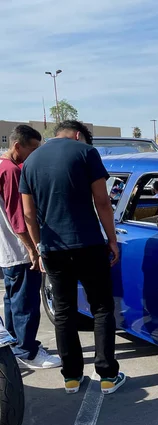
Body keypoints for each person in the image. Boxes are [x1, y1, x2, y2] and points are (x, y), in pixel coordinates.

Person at [19, 120, 126, 395]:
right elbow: (102, 201)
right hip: (87, 243)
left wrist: (38, 246)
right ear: (79, 136)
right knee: (101, 308)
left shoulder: (30, 162)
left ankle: (71, 378)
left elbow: (28, 214)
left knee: (64, 312)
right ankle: (106, 376)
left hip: (53, 248)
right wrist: (112, 240)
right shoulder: (86, 153)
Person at [0, 126, 61, 369]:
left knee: (13, 300)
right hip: (18, 250)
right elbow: (20, 219)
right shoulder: (12, 171)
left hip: (6, 252)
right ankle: (27, 351)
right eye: (32, 149)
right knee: (25, 302)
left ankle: (14, 345)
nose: (35, 154)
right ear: (17, 147)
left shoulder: (2, 166)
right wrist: (33, 251)